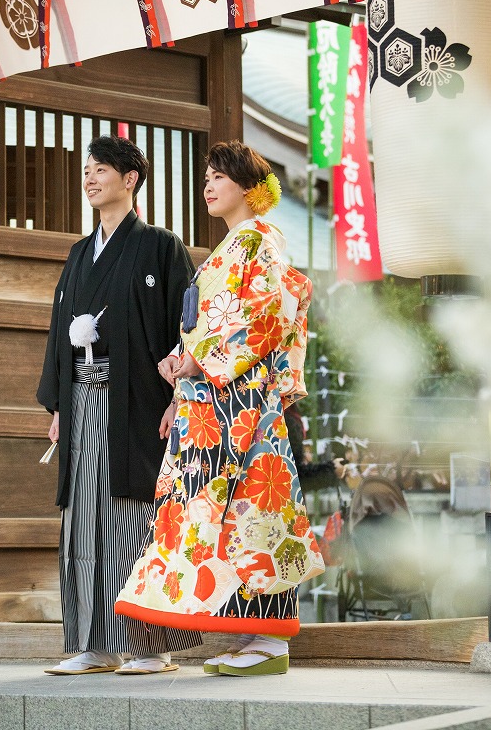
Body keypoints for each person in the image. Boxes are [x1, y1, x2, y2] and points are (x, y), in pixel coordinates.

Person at [116, 140, 324, 676]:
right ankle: (249, 633)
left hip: (245, 401)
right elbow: (207, 327)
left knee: (255, 505)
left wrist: (199, 359)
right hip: (215, 403)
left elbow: (269, 314)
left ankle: (270, 641)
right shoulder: (230, 249)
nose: (208, 185)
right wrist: (181, 368)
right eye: (206, 177)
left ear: (250, 188)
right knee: (223, 515)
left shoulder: (262, 241)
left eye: (220, 177)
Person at [37, 134, 201, 675]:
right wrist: (59, 404)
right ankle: (94, 645)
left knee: (133, 517)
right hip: (83, 400)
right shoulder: (79, 254)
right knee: (84, 519)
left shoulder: (160, 246)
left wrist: (181, 394)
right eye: (86, 170)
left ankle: (150, 646)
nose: (89, 178)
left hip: (137, 403)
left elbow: (186, 327)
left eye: (100, 169)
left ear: (130, 179)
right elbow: (60, 332)